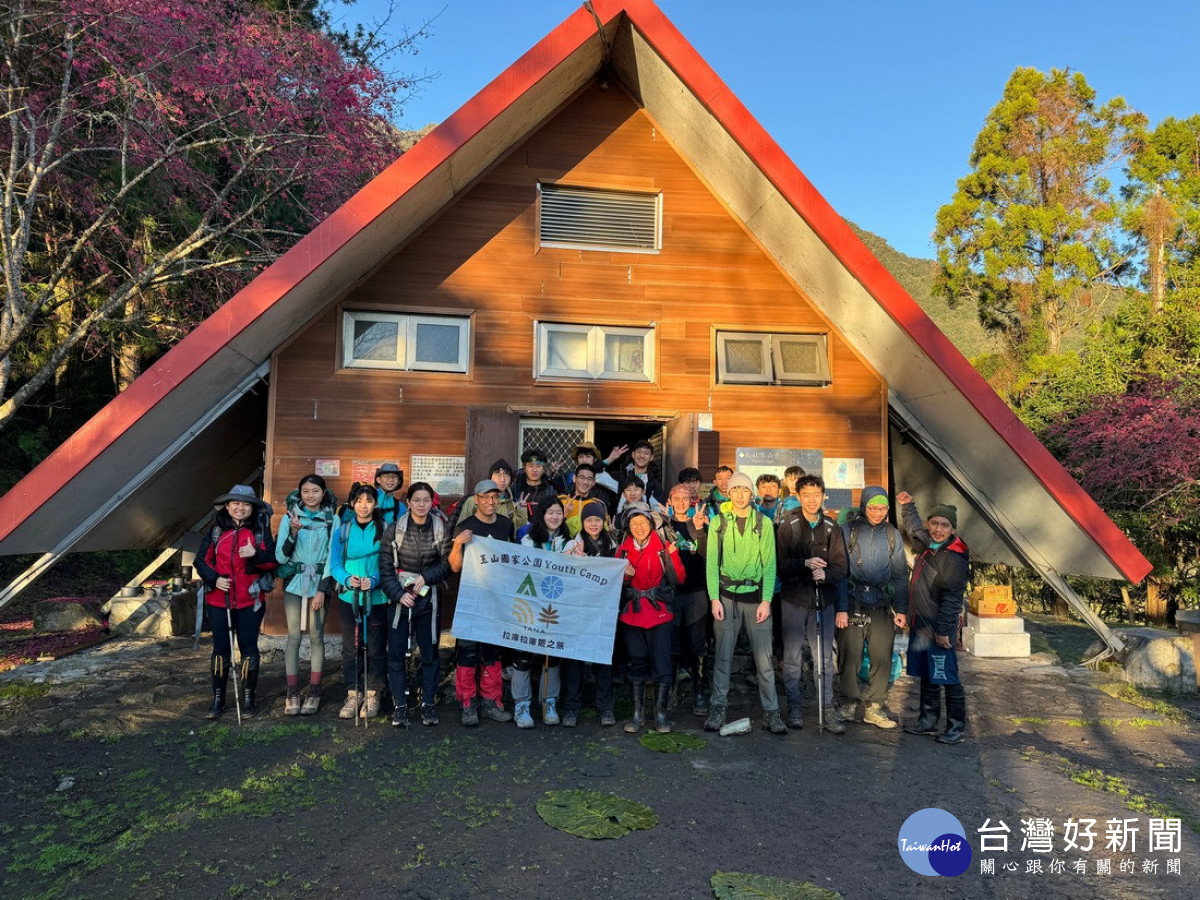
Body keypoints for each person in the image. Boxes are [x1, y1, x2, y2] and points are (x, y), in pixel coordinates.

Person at [703, 472, 786, 735]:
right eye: (735, 489)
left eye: (745, 490)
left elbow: (769, 564)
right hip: (726, 598)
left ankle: (771, 713)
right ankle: (718, 708)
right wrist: (714, 598)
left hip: (756, 598)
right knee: (723, 658)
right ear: (729, 492)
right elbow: (712, 564)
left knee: (764, 660)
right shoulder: (718, 522)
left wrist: (766, 599)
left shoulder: (763, 522)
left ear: (753, 495)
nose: (740, 494)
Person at [196, 485, 277, 719]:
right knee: (221, 649)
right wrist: (215, 579)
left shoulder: (259, 531)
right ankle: (218, 698)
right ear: (228, 505)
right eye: (236, 503)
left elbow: (272, 563)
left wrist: (256, 555)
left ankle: (249, 697)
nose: (240, 508)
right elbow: (201, 561)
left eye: (246, 504)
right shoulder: (216, 531)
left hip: (249, 601)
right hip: (219, 600)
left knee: (248, 648)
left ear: (252, 508)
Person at [379, 482, 455, 728]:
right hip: (401, 599)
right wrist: (398, 594)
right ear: (408, 503)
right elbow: (385, 568)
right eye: (416, 500)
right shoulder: (395, 530)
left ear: (432, 502)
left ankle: (428, 702)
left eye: (426, 500)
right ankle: (400, 704)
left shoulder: (439, 527)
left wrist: (426, 577)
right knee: (397, 653)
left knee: (431, 653)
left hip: (429, 597)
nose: (421, 505)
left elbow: (447, 564)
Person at [776, 474, 848, 732]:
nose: (812, 500)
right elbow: (780, 565)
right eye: (806, 495)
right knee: (793, 656)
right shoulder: (789, 524)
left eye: (816, 495)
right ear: (797, 496)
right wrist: (804, 565)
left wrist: (826, 575)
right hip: (794, 599)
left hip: (823, 600)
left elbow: (841, 567)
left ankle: (827, 708)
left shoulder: (832, 527)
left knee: (824, 658)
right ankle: (794, 707)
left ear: (823, 496)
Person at [896, 492, 969, 745]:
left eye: (945, 525)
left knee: (947, 676)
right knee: (927, 674)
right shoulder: (928, 544)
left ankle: (956, 727)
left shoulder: (953, 557)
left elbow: (952, 600)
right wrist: (907, 506)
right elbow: (914, 527)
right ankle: (927, 720)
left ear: (952, 529)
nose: (938, 529)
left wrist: (945, 631)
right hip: (920, 624)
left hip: (938, 627)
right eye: (935, 523)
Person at [834, 487, 909, 729]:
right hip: (852, 600)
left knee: (881, 655)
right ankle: (848, 702)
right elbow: (840, 572)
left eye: (883, 508)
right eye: (872, 507)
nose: (878, 513)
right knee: (850, 655)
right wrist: (841, 608)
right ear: (863, 506)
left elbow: (899, 574)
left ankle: (875, 706)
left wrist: (902, 608)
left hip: (880, 602)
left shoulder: (892, 534)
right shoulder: (848, 531)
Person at [448, 479, 517, 726]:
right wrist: (458, 543)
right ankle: (467, 703)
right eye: (485, 497)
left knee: (492, 652)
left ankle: (491, 702)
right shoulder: (465, 527)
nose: (490, 502)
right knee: (466, 651)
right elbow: (454, 566)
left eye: (494, 497)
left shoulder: (506, 525)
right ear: (476, 499)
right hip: (470, 599)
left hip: (495, 601)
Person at [616, 502, 685, 734]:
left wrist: (674, 556)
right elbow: (615, 584)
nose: (639, 527)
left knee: (662, 662)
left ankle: (661, 715)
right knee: (636, 661)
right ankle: (637, 715)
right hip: (632, 614)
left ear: (651, 524)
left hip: (659, 612)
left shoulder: (663, 546)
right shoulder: (622, 550)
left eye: (643, 523)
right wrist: (625, 578)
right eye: (634, 523)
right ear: (628, 526)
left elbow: (680, 579)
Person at [275, 474, 336, 716]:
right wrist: (292, 532)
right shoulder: (289, 517)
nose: (310, 496)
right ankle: (292, 692)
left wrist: (323, 589)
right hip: (295, 582)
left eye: (315, 491)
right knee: (293, 637)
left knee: (316, 636)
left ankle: (314, 690)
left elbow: (333, 557)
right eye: (306, 491)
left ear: (323, 492)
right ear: (299, 493)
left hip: (318, 583)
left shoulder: (333, 518)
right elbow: (280, 557)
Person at [330, 482, 388, 721]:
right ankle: (353, 693)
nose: (364, 506)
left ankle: (373, 693)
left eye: (369, 501)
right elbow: (334, 564)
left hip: (377, 597)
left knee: (375, 648)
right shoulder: (342, 531)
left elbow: (390, 564)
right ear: (352, 504)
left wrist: (374, 580)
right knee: (351, 648)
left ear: (375, 504)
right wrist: (347, 578)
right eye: (359, 501)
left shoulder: (385, 529)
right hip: (349, 596)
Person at [560, 500, 619, 728]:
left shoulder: (612, 543)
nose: (593, 524)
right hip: (577, 610)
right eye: (588, 520)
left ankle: (606, 708)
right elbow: (564, 574)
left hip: (603, 611)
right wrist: (577, 561)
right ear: (582, 522)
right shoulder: (572, 544)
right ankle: (571, 708)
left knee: (603, 659)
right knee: (573, 661)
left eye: (597, 519)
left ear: (603, 521)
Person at [514, 498, 572, 727]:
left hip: (557, 605)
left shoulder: (568, 542)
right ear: (542, 515)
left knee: (553, 654)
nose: (555, 517)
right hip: (530, 604)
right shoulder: (528, 541)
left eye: (559, 512)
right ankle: (521, 704)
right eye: (550, 512)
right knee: (524, 653)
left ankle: (549, 701)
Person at [666, 483, 710, 717]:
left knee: (697, 645)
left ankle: (699, 693)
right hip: (671, 593)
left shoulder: (699, 523)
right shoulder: (663, 526)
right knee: (672, 646)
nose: (681, 502)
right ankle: (671, 691)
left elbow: (706, 554)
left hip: (696, 592)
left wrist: (701, 530)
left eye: (685, 498)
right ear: (670, 501)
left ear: (691, 501)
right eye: (676, 498)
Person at [456, 459, 528, 531]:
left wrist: (521, 511)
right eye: (499, 475)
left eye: (506, 475)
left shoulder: (511, 503)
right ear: (490, 477)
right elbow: (461, 528)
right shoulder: (475, 500)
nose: (503, 480)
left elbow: (515, 531)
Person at [512, 449, 562, 520]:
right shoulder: (516, 488)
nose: (534, 470)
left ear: (543, 469)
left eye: (538, 466)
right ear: (525, 468)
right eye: (530, 466)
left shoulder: (550, 491)